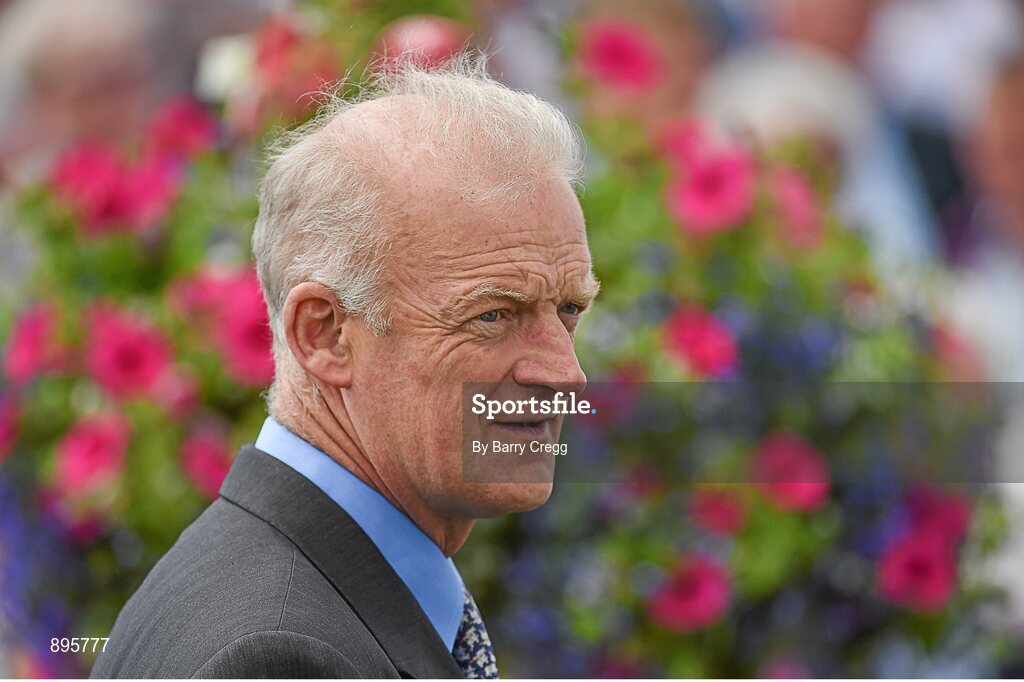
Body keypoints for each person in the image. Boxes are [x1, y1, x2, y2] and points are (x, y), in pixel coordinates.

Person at [90, 54, 598, 678]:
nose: (564, 374)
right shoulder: (278, 655)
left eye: (569, 310)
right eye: (492, 315)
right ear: (323, 335)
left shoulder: (295, 592)